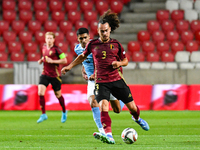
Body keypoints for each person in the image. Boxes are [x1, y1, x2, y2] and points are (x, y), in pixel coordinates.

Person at [61, 10, 149, 144]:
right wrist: (69, 66)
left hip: (116, 80)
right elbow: (83, 57)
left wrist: (119, 63)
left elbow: (125, 61)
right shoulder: (93, 45)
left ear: (110, 30)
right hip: (101, 82)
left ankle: (137, 119)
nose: (104, 33)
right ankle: (108, 135)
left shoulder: (116, 44)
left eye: (106, 30)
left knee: (124, 109)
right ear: (98, 31)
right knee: (102, 106)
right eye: (102, 31)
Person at [74, 27, 125, 135]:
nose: (83, 40)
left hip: (106, 77)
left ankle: (124, 98)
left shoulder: (97, 46)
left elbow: (105, 61)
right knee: (93, 102)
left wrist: (95, 73)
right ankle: (102, 131)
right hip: (93, 81)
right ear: (77, 39)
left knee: (117, 109)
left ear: (89, 37)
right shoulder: (77, 49)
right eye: (80, 38)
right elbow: (84, 60)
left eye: (85, 38)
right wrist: (83, 70)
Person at [37, 32, 67, 123]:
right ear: (45, 39)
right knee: (40, 92)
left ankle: (64, 111)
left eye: (51, 38)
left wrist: (53, 61)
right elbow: (45, 56)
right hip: (45, 74)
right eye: (47, 38)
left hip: (55, 76)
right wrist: (41, 60)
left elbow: (65, 60)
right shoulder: (44, 47)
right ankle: (43, 114)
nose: (49, 40)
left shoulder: (57, 50)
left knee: (58, 95)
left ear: (54, 39)